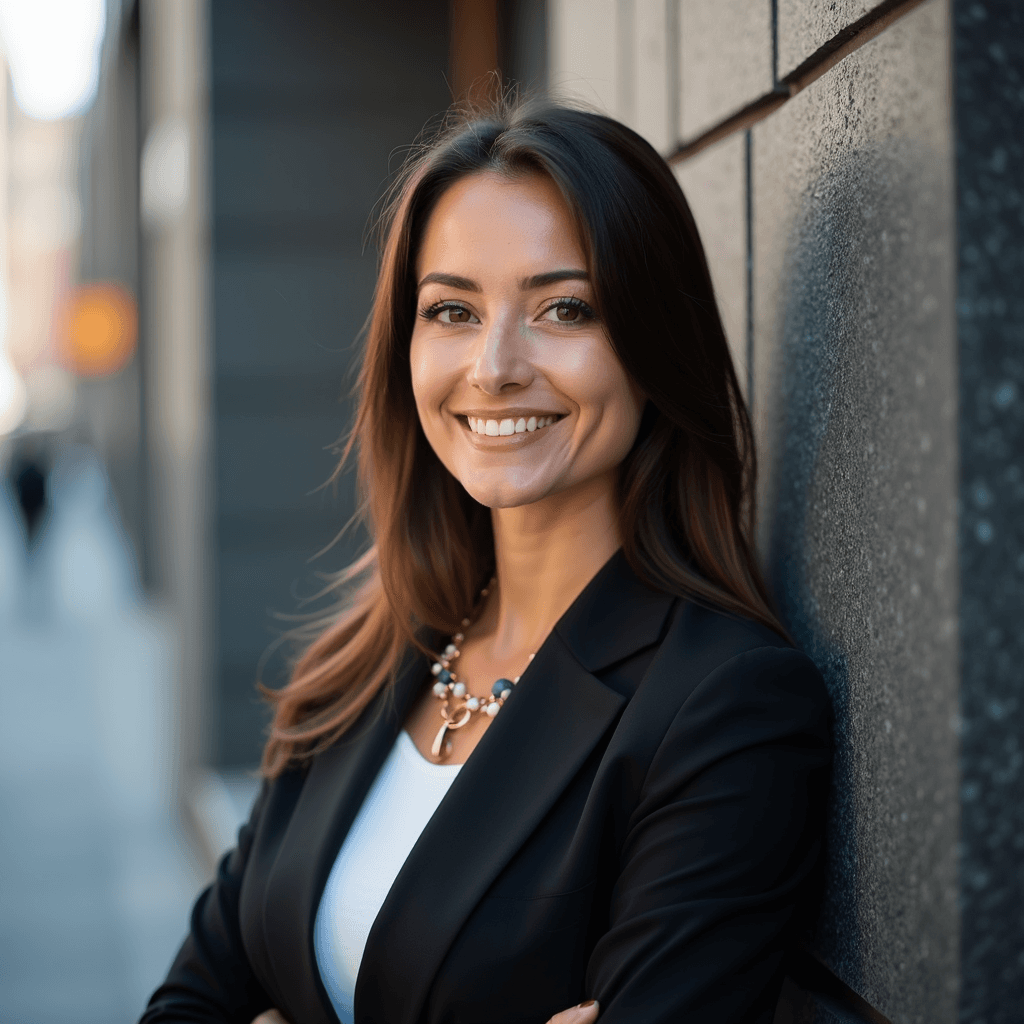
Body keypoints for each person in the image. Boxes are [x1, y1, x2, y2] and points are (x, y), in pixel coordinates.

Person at [141, 97, 831, 1024]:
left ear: (654, 343)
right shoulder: (365, 660)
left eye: (565, 308)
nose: (495, 366)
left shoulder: (727, 707)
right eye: (453, 310)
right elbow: (186, 1003)